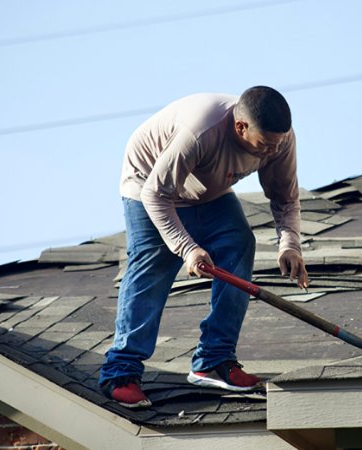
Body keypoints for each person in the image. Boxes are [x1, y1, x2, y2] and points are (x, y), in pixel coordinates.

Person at [99, 86, 310, 408]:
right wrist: (187, 248)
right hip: (148, 187)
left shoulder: (279, 140)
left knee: (238, 243)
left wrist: (290, 245)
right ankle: (121, 372)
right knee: (152, 266)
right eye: (265, 144)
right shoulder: (200, 131)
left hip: (207, 192)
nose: (271, 152)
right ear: (241, 127)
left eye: (277, 144)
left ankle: (214, 361)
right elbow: (156, 195)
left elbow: (285, 198)